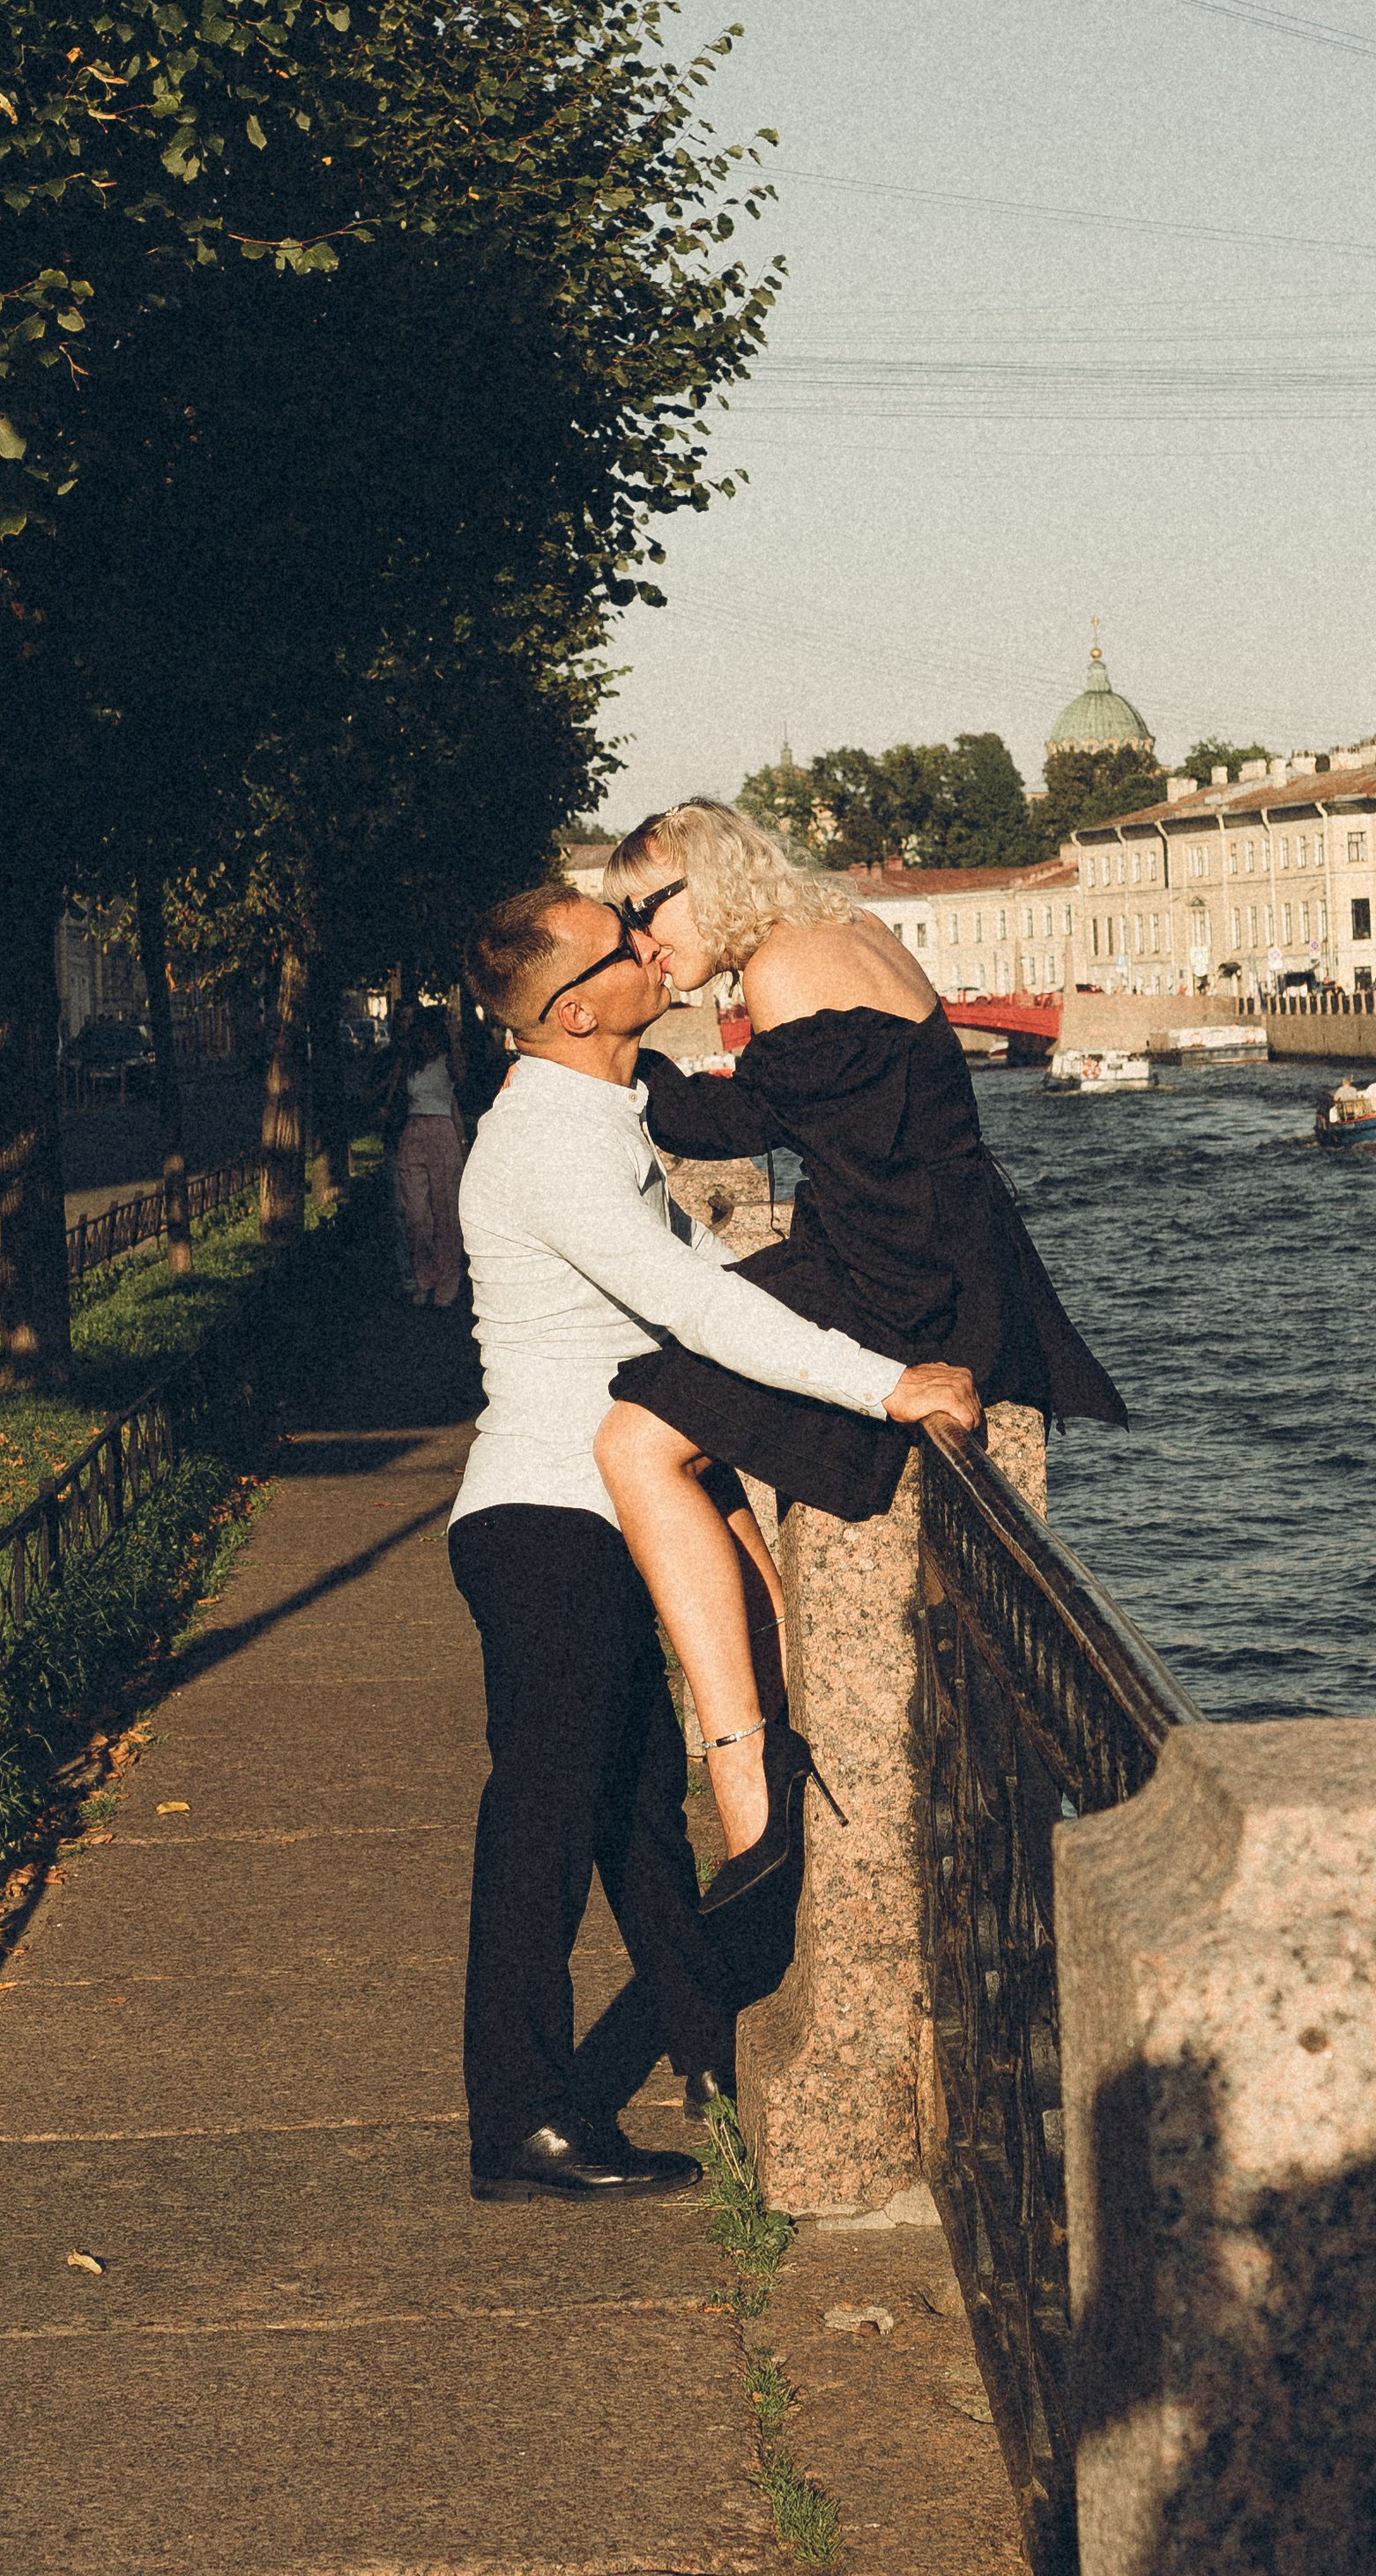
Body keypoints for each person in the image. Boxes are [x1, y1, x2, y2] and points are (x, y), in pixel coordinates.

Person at [450, 881, 978, 2203]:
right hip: (546, 1521)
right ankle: (516, 2119)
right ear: (578, 1009)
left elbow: (727, 1286)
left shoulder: (596, 1115)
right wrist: (889, 1384)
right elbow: (698, 1310)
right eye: (622, 943)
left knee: (632, 1818)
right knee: (546, 1817)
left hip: (584, 1515)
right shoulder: (549, 1145)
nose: (649, 944)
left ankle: (706, 2053)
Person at [595, 799, 1126, 1898]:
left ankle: (755, 1748)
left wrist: (603, 1049)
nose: (642, 945)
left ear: (702, 882)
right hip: (927, 1249)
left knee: (643, 1429)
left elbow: (727, 1131)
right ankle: (777, 1685)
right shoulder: (843, 932)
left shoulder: (787, 965)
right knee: (675, 1395)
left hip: (901, 1276)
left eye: (642, 914)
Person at [387, 1007, 465, 1310]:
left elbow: (462, 1077)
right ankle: (424, 1277)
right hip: (413, 1134)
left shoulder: (447, 1062)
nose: (427, 1042)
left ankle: (447, 1280)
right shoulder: (408, 1063)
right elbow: (392, 1096)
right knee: (417, 1216)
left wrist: (456, 1039)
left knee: (446, 1213)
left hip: (442, 1136)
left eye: (432, 1036)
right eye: (423, 1036)